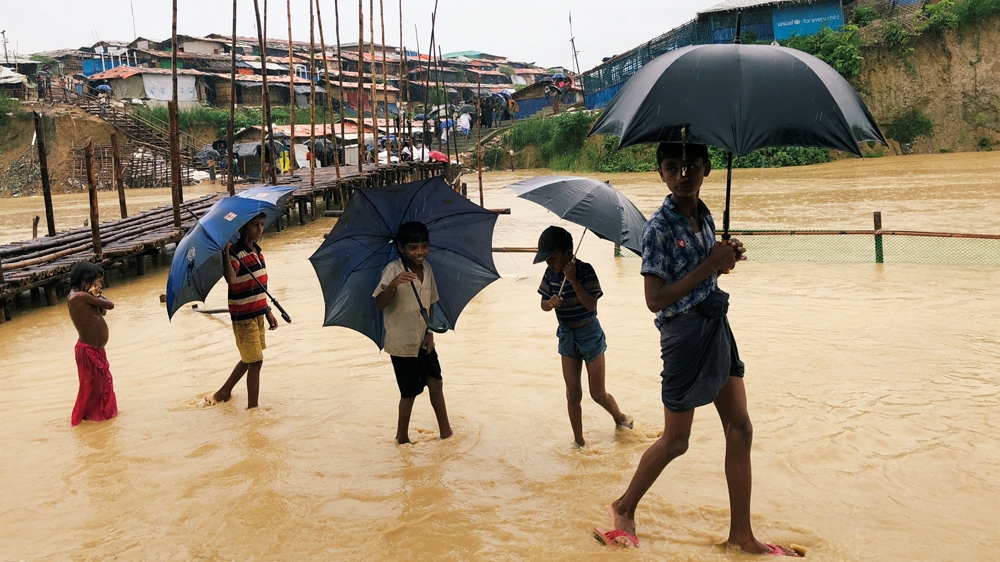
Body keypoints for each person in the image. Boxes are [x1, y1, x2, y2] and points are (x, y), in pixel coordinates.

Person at [595, 143, 801, 557]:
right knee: (677, 441)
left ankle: (741, 536)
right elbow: (655, 299)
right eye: (673, 168)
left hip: (716, 324)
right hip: (684, 336)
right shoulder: (657, 229)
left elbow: (705, 274)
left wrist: (725, 259)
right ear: (661, 174)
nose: (683, 175)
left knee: (740, 428)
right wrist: (709, 265)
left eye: (691, 166)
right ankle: (623, 506)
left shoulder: (705, 215)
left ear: (707, 167)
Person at [536, 226, 631, 447]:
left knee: (597, 393)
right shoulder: (550, 274)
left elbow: (591, 305)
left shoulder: (585, 270)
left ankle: (620, 417)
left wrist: (573, 281)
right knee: (573, 394)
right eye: (547, 259)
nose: (549, 263)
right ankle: (579, 443)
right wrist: (549, 303)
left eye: (553, 258)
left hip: (589, 333)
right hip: (567, 335)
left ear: (569, 253)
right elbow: (542, 304)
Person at [374, 221, 452, 445]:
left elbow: (431, 302)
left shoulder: (427, 269)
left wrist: (430, 332)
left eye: (424, 246)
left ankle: (446, 432)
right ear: (401, 248)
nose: (420, 252)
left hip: (423, 339)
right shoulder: (392, 270)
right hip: (402, 343)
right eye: (413, 248)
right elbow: (380, 304)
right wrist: (393, 285)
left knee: (436, 383)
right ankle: (402, 437)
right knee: (409, 392)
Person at [206, 213, 279, 409]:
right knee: (255, 361)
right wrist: (226, 251)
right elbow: (231, 279)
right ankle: (252, 409)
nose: (259, 229)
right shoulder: (235, 254)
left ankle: (223, 392)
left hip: (257, 314)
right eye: (255, 225)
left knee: (250, 358)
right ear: (242, 229)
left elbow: (260, 286)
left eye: (262, 225)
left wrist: (268, 310)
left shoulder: (257, 252)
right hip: (244, 318)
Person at [67, 262, 118, 426]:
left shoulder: (87, 297)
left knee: (103, 384)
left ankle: (102, 418)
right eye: (98, 282)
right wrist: (98, 296)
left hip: (96, 349)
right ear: (86, 282)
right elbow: (110, 305)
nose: (100, 286)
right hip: (87, 351)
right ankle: (82, 419)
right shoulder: (78, 297)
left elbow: (102, 311)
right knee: (90, 387)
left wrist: (96, 296)